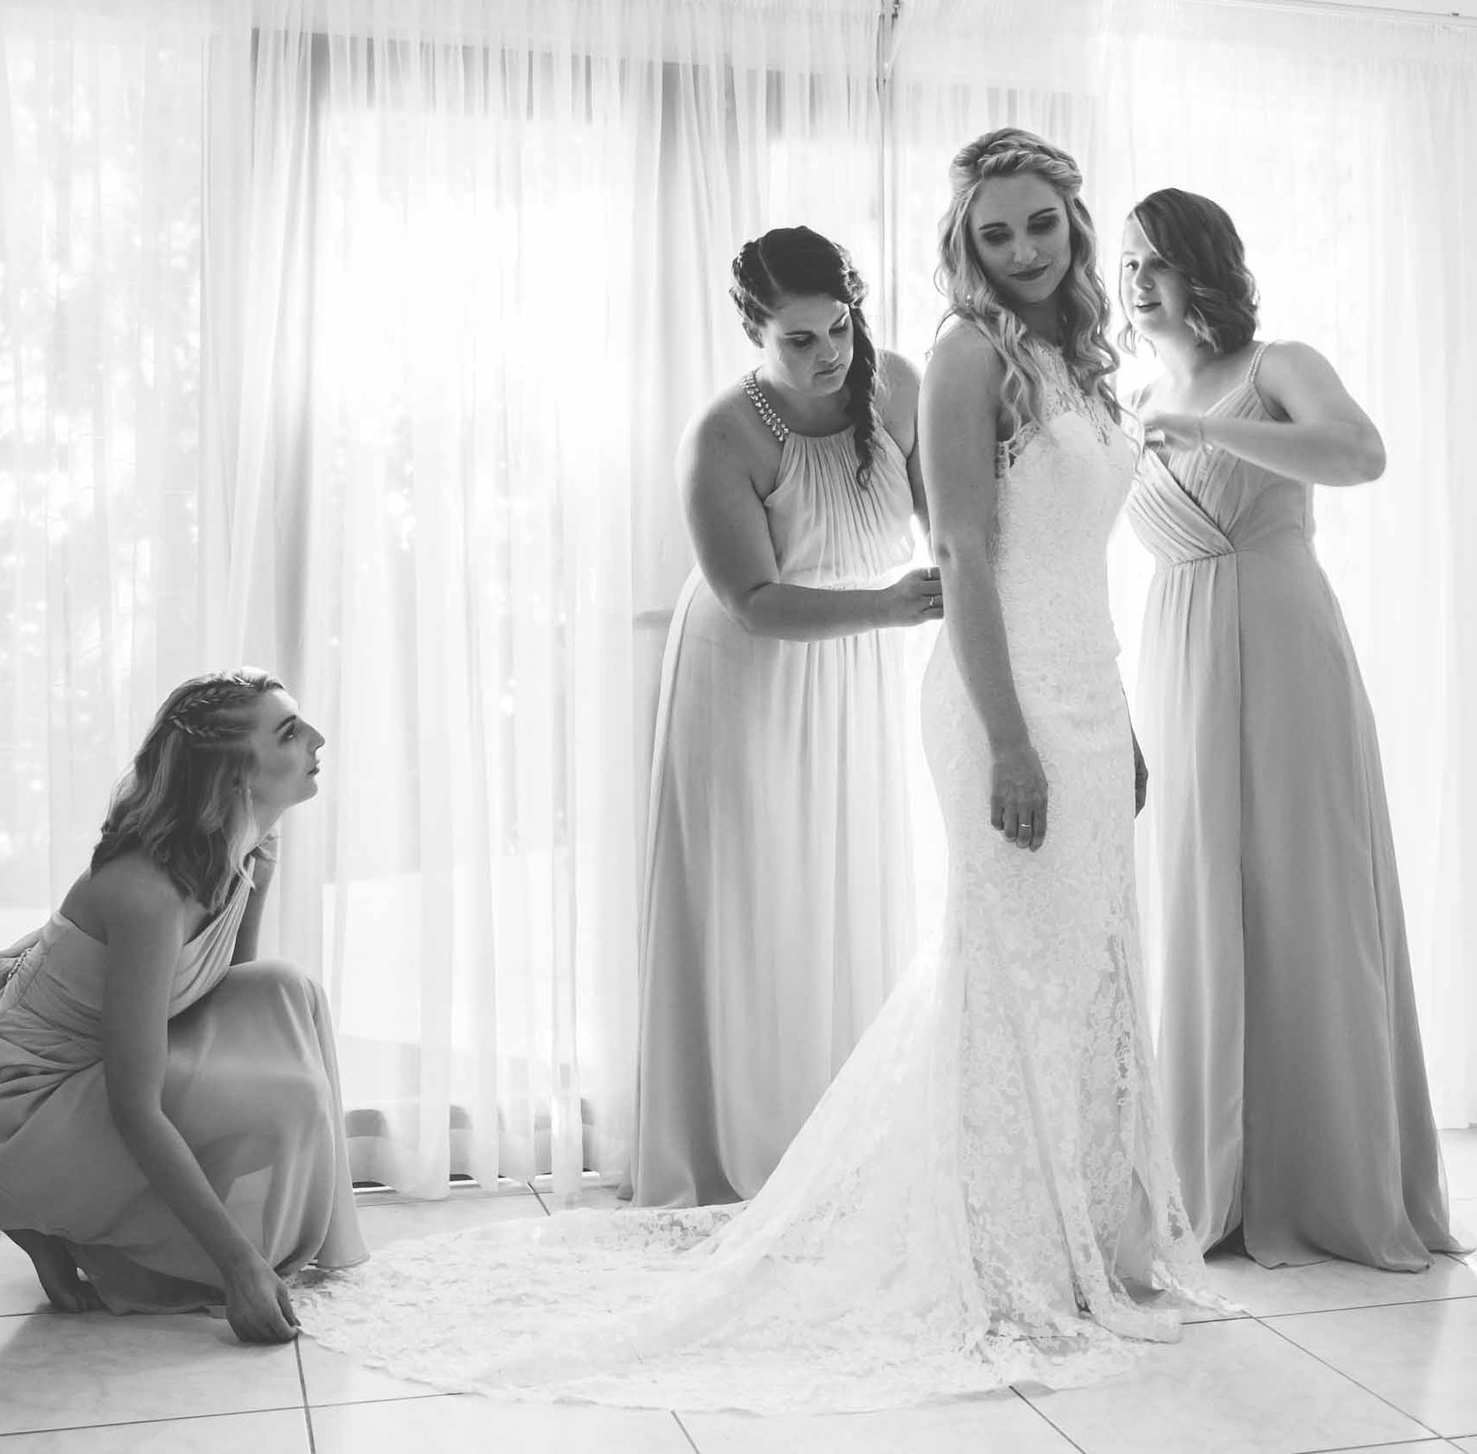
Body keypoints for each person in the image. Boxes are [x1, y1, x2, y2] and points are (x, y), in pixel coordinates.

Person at [292, 135, 1219, 1412]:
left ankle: (1091, 1239)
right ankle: (999, 1246)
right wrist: (1007, 732)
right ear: (964, 245)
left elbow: (1066, 558)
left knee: (1087, 965)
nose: (1017, 252)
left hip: (1079, 687)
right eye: (993, 233)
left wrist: (1112, 720)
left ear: (1072, 225)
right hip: (978, 690)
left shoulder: (1064, 361)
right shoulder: (958, 360)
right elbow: (959, 549)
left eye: (1039, 228)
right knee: (1006, 971)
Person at [1120, 187, 1462, 1271]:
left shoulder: (1274, 365)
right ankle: (1207, 1177)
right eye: (1125, 262)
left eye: (1157, 260)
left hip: (1280, 640)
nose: (1136, 281)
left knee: (1302, 887)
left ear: (1203, 267)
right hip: (1175, 648)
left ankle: (1327, 1177)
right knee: (1196, 896)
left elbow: (1359, 453)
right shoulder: (1131, 393)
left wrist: (1206, 424)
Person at [627, 226, 941, 1209]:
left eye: (837, 329)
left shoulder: (897, 386)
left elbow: (949, 522)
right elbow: (754, 597)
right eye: (798, 340)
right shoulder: (725, 432)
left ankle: (841, 1135)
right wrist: (892, 606)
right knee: (751, 901)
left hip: (853, 671)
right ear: (755, 334)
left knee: (844, 881)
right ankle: (735, 1148)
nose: (826, 357)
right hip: (750, 669)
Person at [0, 669, 368, 1343]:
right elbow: (134, 1105)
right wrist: (236, 1264)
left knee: (290, 994)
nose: (317, 737)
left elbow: (227, 993)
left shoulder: (249, 848)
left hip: (82, 1081)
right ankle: (50, 1217)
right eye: (289, 731)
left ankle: (100, 1230)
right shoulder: (146, 891)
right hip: (19, 1113)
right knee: (281, 1093)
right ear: (234, 775)